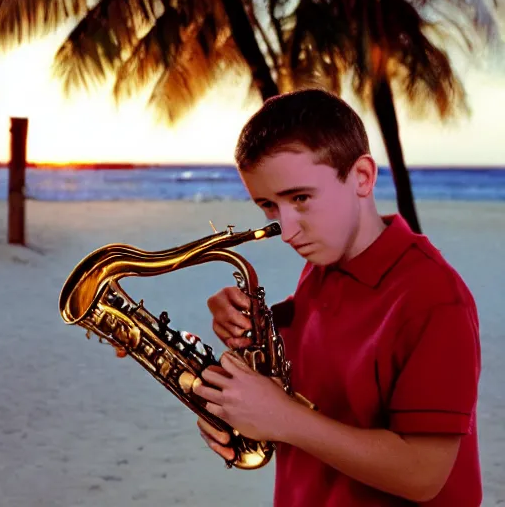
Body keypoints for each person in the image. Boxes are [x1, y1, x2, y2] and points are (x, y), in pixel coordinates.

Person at [192, 88, 482, 506]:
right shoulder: (324, 267)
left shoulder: (435, 300)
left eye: (300, 198)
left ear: (362, 177)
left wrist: (284, 418)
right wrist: (243, 363)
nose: (286, 230)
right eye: (268, 206)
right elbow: (308, 381)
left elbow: (424, 475)